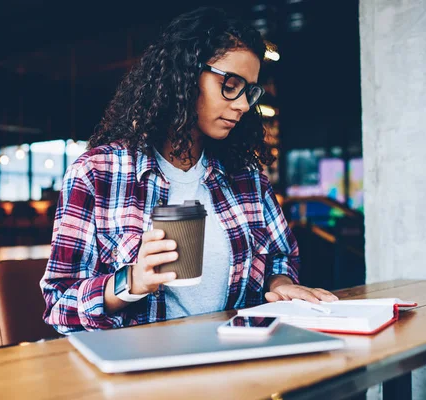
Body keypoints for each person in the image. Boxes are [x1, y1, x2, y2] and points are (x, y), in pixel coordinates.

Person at [40, 6, 338, 334]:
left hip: (236, 357)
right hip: (143, 370)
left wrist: (281, 284)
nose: (241, 104)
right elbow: (59, 306)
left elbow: (281, 257)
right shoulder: (98, 174)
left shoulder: (246, 177)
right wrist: (133, 281)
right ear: (183, 74)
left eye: (248, 91)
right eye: (230, 84)